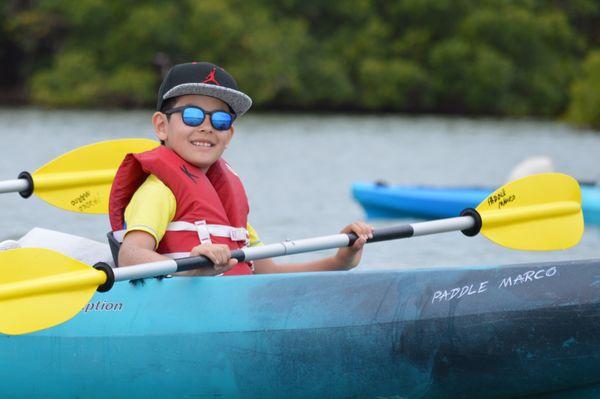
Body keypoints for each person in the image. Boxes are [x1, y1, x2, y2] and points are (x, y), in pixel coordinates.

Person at [108, 62, 373, 276]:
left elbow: (270, 273)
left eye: (221, 120)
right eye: (192, 115)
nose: (207, 127)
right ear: (161, 126)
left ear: (229, 134)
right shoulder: (158, 192)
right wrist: (193, 270)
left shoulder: (225, 204)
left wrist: (341, 260)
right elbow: (130, 256)